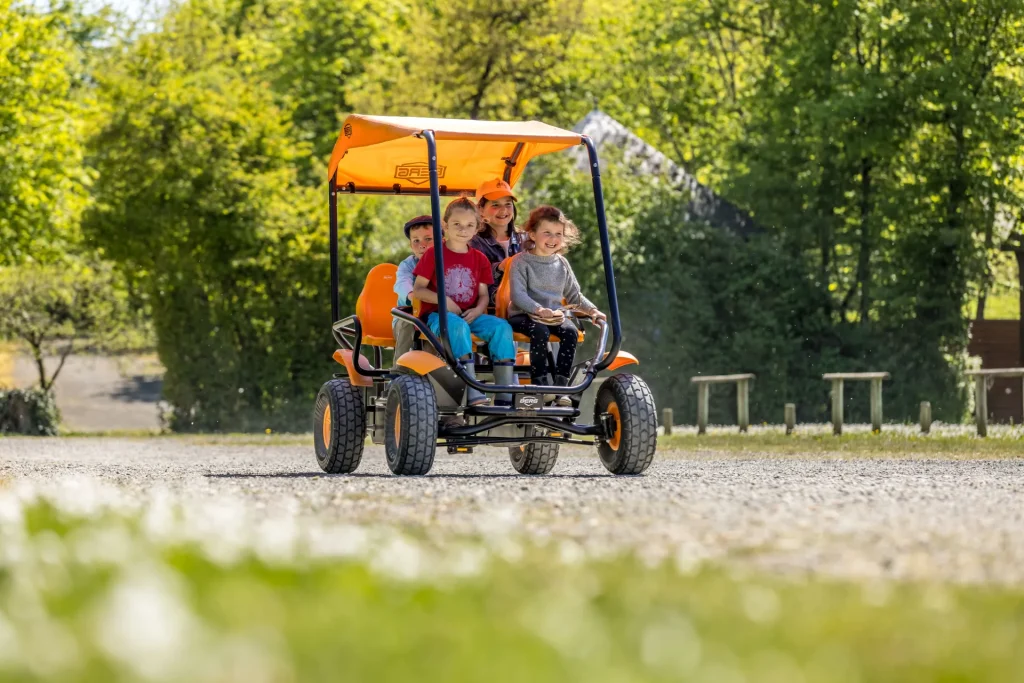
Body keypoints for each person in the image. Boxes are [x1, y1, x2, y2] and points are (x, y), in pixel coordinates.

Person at [412, 197, 516, 407]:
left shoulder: (479, 258)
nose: (463, 230)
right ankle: (471, 390)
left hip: (470, 314)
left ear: (477, 227)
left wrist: (478, 310)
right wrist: (445, 301)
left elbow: (483, 294)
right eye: (456, 224)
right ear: (445, 226)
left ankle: (504, 394)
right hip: (437, 315)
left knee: (502, 328)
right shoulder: (434, 253)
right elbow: (419, 290)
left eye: (469, 225)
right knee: (457, 326)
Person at [507, 205, 605, 406]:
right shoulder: (521, 262)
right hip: (524, 314)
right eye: (547, 233)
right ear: (532, 234)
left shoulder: (561, 263)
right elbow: (518, 296)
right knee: (540, 331)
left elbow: (574, 296)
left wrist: (592, 310)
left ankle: (561, 386)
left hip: (553, 315)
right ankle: (540, 382)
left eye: (558, 234)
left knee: (570, 332)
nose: (553, 239)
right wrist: (538, 309)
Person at [472, 178, 522, 303]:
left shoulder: (526, 239)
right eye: (495, 205)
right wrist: (499, 268)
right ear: (480, 210)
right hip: (490, 307)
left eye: (508, 204)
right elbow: (474, 278)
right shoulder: (473, 242)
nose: (504, 210)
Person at [392, 215, 434, 360]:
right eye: (416, 240)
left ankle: (433, 376)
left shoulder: (446, 263)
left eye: (428, 239)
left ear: (442, 241)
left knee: (437, 333)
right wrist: (412, 295)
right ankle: (399, 373)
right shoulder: (408, 265)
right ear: (411, 245)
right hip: (409, 315)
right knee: (408, 322)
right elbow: (402, 282)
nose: (422, 244)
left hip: (433, 316)